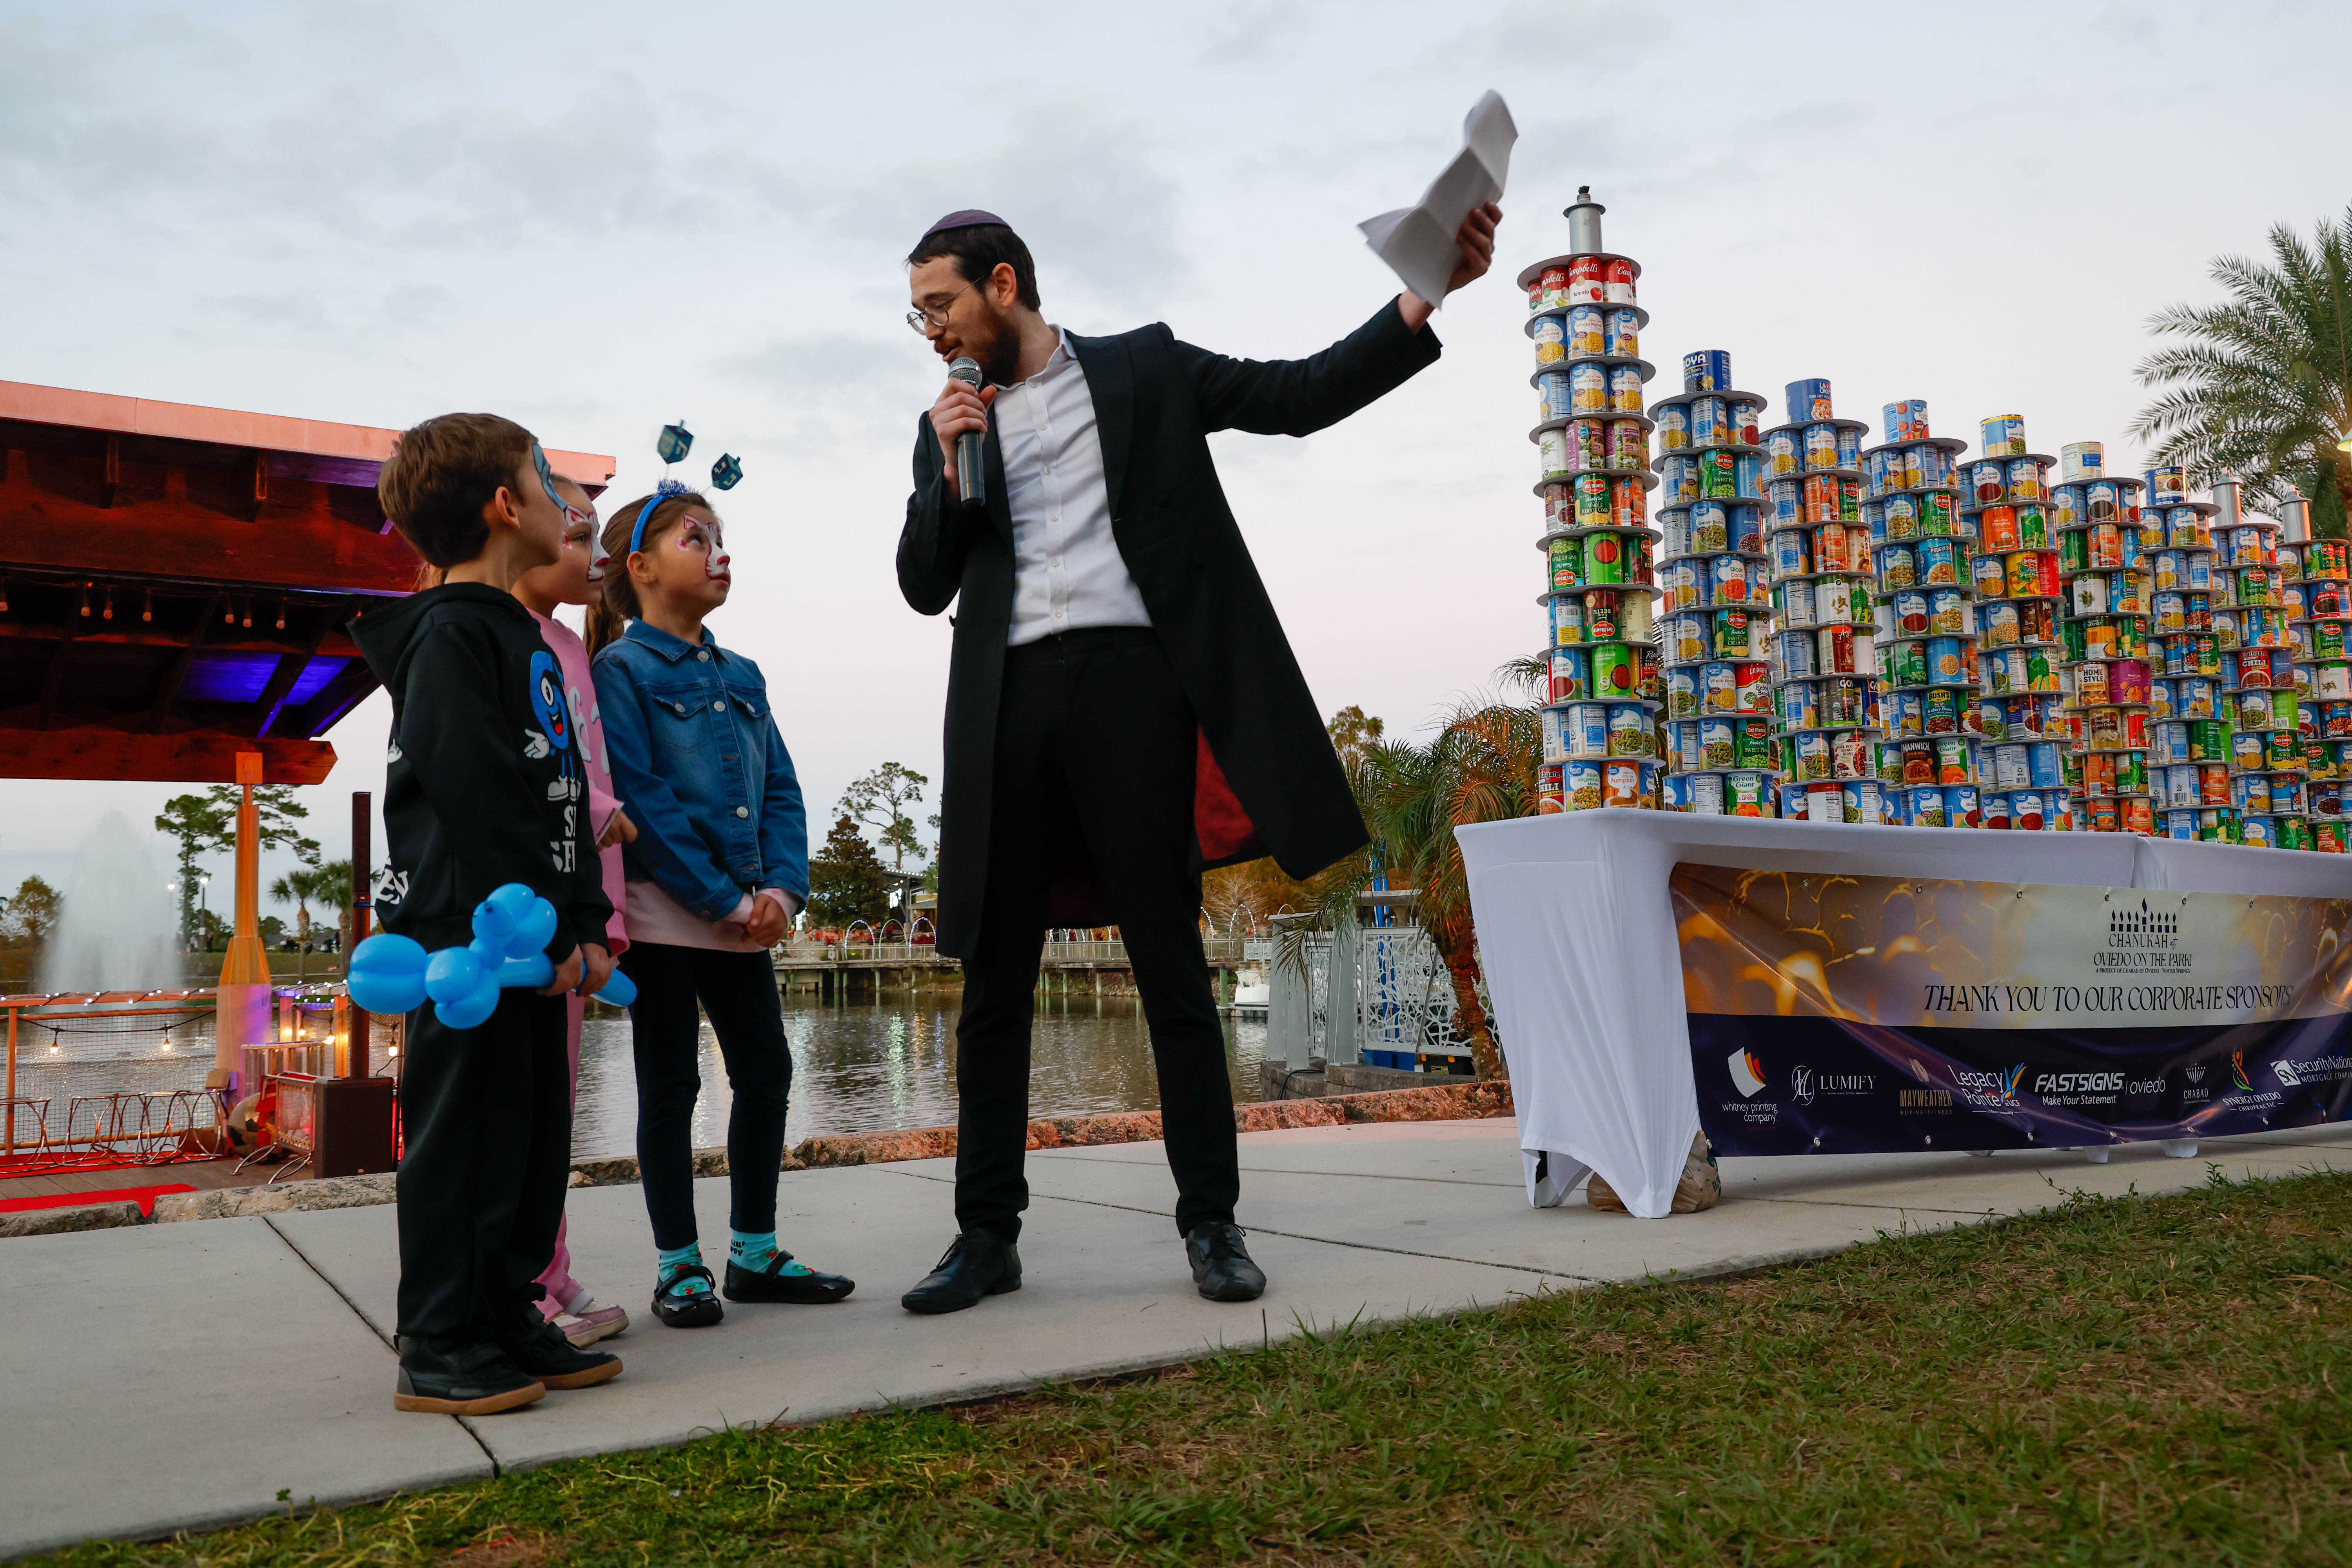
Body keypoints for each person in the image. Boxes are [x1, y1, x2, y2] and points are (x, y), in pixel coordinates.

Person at [894, 205, 1501, 1314]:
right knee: (994, 984)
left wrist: (1425, 298)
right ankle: (985, 1236)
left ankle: (1211, 1223)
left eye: (940, 303)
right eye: (918, 311)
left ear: (1005, 284)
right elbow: (924, 582)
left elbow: (1298, 396)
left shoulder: (1144, 370)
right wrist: (943, 464)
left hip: (1135, 686)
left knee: (1171, 965)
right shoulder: (951, 420)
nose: (928, 328)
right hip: (1006, 702)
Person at [354, 412, 624, 1415]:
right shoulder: (452, 634)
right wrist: (543, 924)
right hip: (471, 941)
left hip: (535, 938)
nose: (567, 506)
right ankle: (438, 1333)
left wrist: (587, 915)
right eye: (550, 484)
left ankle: (506, 1306)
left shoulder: (527, 639)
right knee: (462, 1135)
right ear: (507, 507)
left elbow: (564, 793)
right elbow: (474, 790)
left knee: (531, 1130)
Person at [588, 482, 852, 1328]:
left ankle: (754, 1251)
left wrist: (780, 890)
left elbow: (780, 785)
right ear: (641, 566)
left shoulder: (744, 674)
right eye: (696, 539)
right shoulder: (619, 670)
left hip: (745, 913)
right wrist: (722, 899)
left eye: (720, 537)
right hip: (670, 915)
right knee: (670, 1083)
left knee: (767, 1071)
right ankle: (678, 1268)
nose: (718, 552)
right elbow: (642, 796)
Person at [511, 475, 637, 1348]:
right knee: (518, 1101)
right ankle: (520, 1279)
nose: (591, 558)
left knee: (555, 1101)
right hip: (535, 901)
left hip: (589, 895)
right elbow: (536, 759)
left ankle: (548, 1271)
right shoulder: (501, 639)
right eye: (575, 536)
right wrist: (595, 808)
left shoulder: (573, 645)